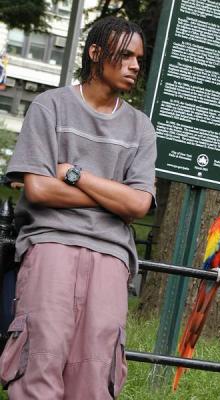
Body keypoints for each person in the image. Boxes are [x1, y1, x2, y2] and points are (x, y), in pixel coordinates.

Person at [0, 16, 156, 400]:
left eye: (139, 57)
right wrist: (113, 197)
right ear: (96, 53)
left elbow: (139, 204)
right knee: (40, 361)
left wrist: (74, 175)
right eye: (125, 56)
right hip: (50, 244)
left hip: (112, 255)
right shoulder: (50, 107)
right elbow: (37, 189)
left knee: (95, 376)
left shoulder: (140, 128)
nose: (135, 65)